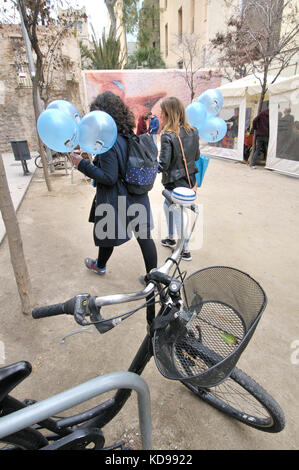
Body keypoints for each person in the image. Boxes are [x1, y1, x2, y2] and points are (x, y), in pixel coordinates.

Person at [70, 91, 157, 278]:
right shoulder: (127, 134)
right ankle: (154, 279)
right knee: (144, 237)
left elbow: (108, 177)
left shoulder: (109, 141)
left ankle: (100, 265)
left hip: (117, 198)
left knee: (107, 234)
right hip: (137, 193)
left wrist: (81, 164)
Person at [158, 96, 199, 261]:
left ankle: (185, 249)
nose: (160, 115)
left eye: (162, 112)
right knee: (168, 207)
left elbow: (164, 164)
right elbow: (196, 156)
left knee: (177, 212)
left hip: (173, 182)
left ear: (168, 114)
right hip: (189, 179)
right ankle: (170, 238)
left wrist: (148, 167)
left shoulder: (168, 135)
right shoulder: (193, 131)